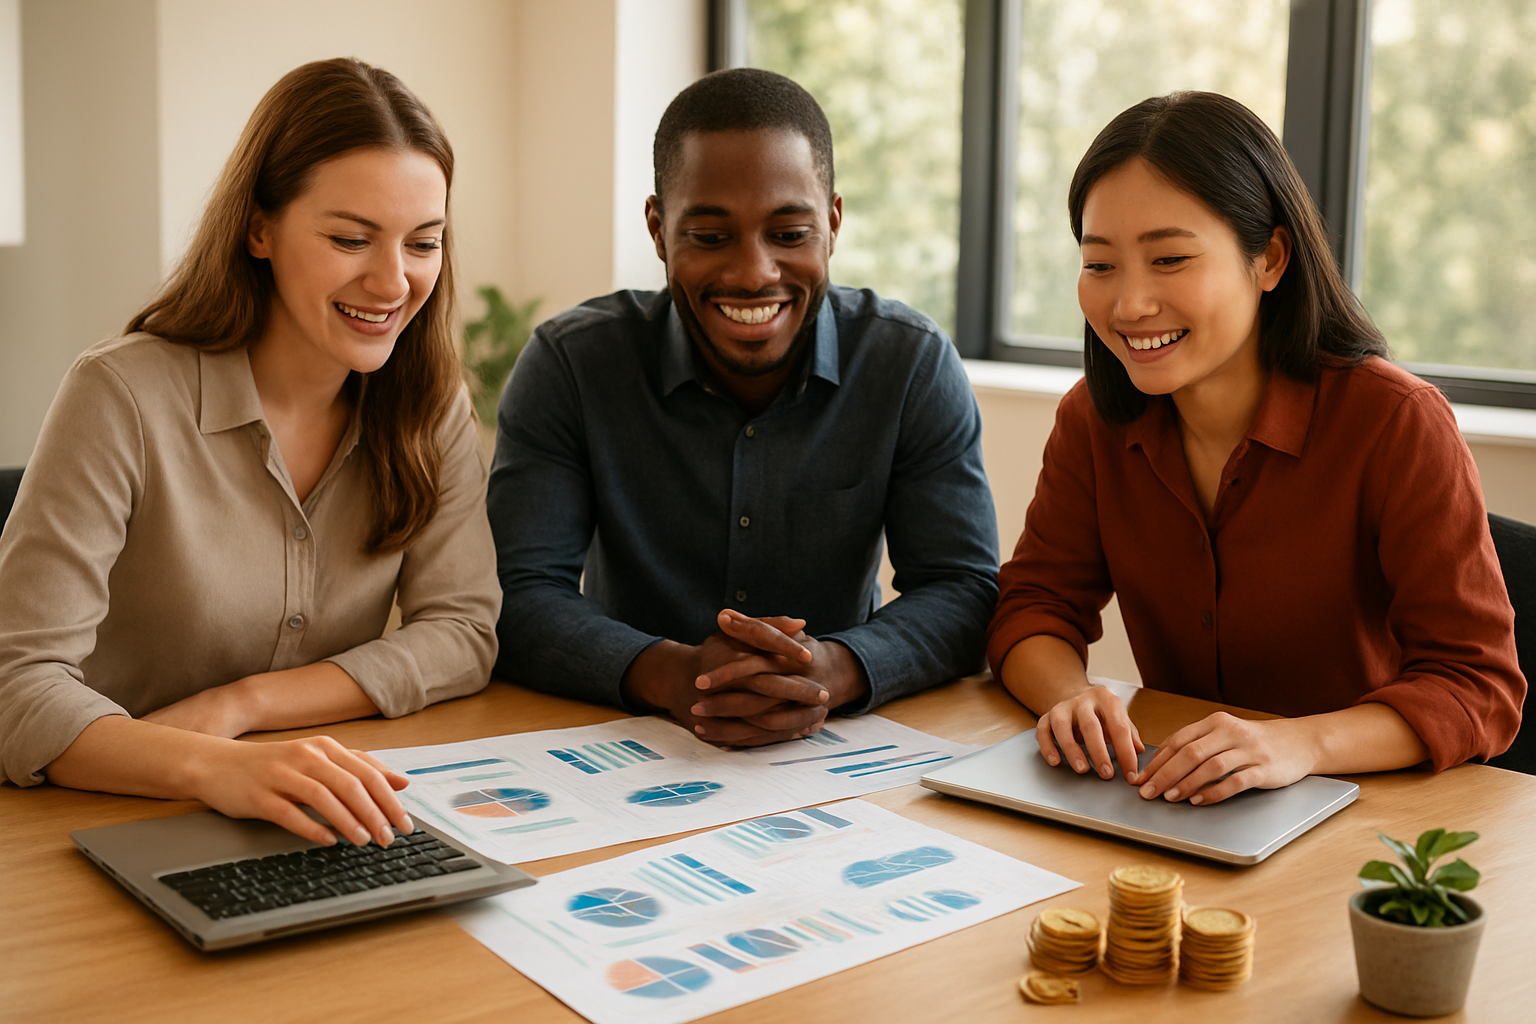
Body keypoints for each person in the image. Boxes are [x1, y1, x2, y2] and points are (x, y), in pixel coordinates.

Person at [0, 58, 501, 846]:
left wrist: (244, 707)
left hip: (308, 810)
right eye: (350, 239)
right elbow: (17, 688)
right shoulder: (121, 395)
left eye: (423, 243)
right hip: (98, 819)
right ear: (259, 229)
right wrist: (211, 763)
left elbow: (464, 632)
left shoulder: (427, 402)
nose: (393, 281)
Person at [989, 91, 1525, 804]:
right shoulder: (1094, 420)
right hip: (1178, 802)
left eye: (1170, 258)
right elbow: (1033, 606)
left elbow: (1479, 686)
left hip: (1364, 809)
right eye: (1100, 265)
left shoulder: (1397, 423)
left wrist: (1301, 742)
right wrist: (1070, 697)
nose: (1129, 305)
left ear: (1269, 258)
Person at [489, 68, 998, 748]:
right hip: (621, 750)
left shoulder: (909, 364)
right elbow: (516, 594)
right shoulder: (572, 365)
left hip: (838, 759)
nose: (754, 272)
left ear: (834, 223)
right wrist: (672, 675)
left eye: (789, 234)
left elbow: (964, 589)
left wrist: (832, 670)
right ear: (658, 228)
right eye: (709, 236)